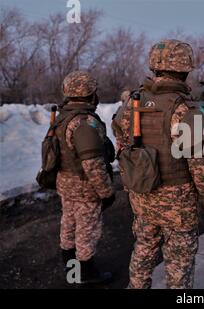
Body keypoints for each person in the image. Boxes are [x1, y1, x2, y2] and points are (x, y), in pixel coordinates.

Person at [112, 40, 204, 289]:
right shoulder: (184, 109)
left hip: (142, 196)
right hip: (178, 205)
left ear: (155, 67)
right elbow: (202, 165)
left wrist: (133, 177)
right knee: (179, 264)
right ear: (185, 70)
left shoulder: (133, 102)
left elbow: (121, 142)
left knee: (143, 248)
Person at [56, 71, 116, 284]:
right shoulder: (83, 122)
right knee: (86, 231)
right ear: (90, 93)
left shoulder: (63, 117)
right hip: (84, 189)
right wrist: (107, 192)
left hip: (66, 185)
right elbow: (93, 164)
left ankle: (71, 269)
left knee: (69, 225)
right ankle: (85, 275)